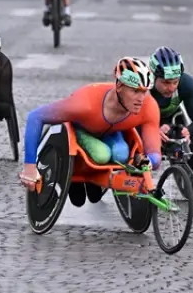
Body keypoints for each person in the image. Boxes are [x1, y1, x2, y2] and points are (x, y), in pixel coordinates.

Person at [18, 57, 161, 207]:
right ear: (119, 85)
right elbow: (35, 117)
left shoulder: (148, 107)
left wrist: (148, 161)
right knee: (102, 154)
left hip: (110, 133)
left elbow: (155, 153)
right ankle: (77, 173)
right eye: (135, 91)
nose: (141, 99)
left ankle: (96, 175)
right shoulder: (84, 104)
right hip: (81, 130)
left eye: (145, 91)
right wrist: (29, 168)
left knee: (122, 153)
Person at [148, 47, 193, 146]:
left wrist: (188, 131)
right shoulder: (144, 85)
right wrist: (152, 131)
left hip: (172, 119)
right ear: (154, 77)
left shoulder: (186, 84)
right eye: (166, 82)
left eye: (175, 82)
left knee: (183, 143)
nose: (171, 88)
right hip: (145, 121)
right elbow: (129, 121)